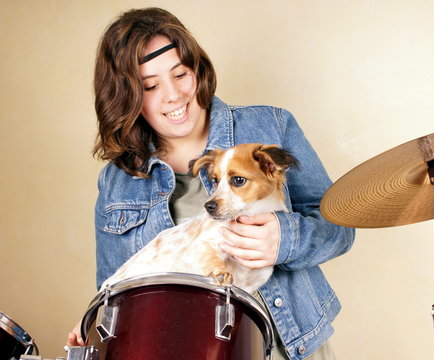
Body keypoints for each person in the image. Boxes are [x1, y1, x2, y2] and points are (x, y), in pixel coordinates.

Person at [67, 7, 355, 359]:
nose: (172, 95)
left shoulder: (270, 127)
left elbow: (340, 229)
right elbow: (118, 291)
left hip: (289, 347)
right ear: (127, 96)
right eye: (150, 86)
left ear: (197, 70)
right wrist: (95, 327)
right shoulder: (118, 180)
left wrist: (287, 239)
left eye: (180, 74)